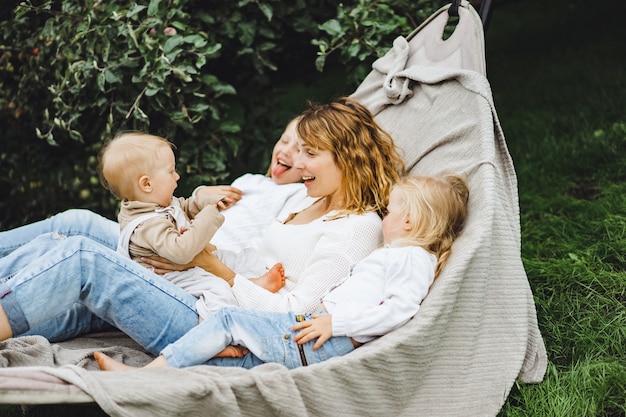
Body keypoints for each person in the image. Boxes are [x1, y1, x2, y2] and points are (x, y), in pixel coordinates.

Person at [0, 96, 406, 357]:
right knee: (77, 262)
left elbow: (295, 314)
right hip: (200, 285)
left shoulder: (356, 228)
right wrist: (195, 260)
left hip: (212, 319)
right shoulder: (306, 198)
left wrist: (209, 266)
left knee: (83, 258)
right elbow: (250, 258)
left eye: (310, 154)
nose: (297, 164)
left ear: (348, 159)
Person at [94, 174, 470, 371]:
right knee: (234, 355)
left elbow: (401, 310)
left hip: (324, 338)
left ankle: (148, 376)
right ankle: (162, 377)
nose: (383, 217)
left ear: (410, 220)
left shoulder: (411, 258)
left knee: (228, 319)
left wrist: (334, 323)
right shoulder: (399, 254)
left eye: (389, 211)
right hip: (316, 331)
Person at [0, 116, 307, 258]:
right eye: (284, 140)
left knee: (76, 238)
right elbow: (181, 205)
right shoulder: (251, 182)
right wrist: (202, 195)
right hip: (165, 235)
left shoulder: (299, 195)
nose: (285, 151)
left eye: (303, 149)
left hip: (192, 255)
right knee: (71, 225)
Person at [97, 132, 284, 319]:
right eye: (170, 171)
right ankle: (211, 331)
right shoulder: (147, 225)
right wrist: (209, 214)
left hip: (183, 266)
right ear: (147, 184)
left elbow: (183, 206)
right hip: (168, 278)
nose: (177, 176)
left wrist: (207, 201)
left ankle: (251, 283)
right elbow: (181, 251)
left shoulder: (157, 204)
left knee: (231, 258)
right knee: (216, 290)